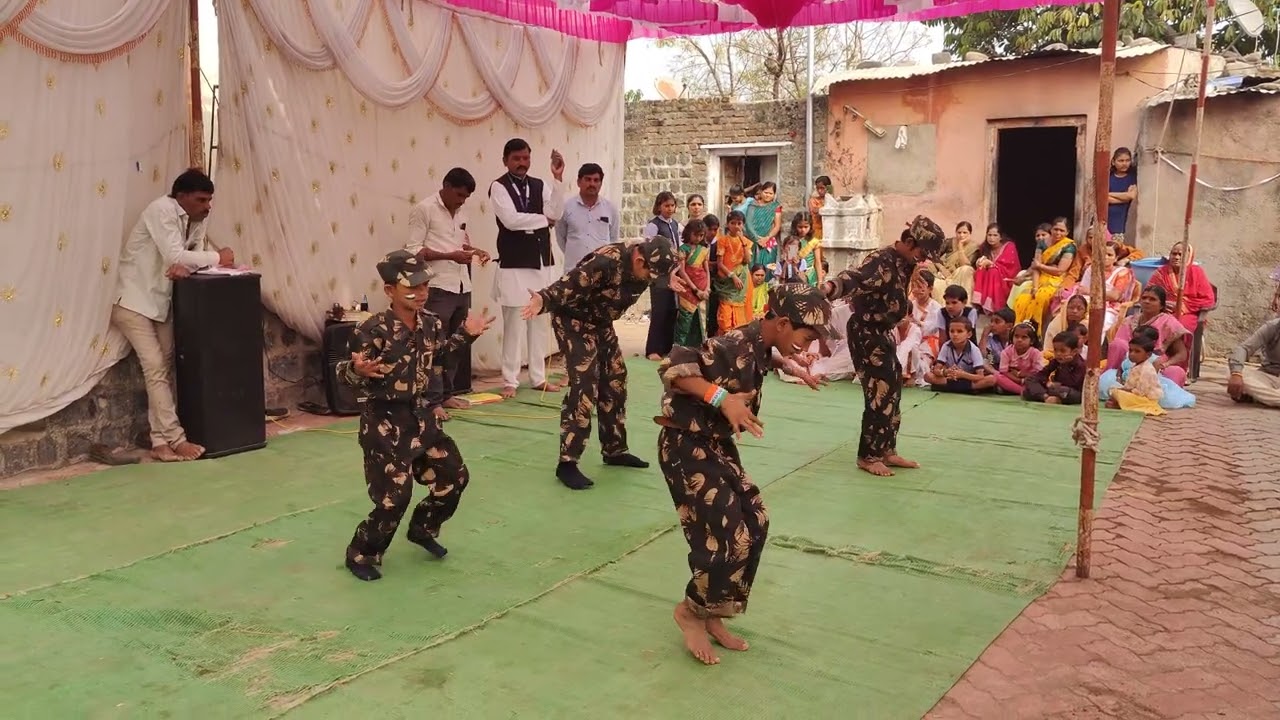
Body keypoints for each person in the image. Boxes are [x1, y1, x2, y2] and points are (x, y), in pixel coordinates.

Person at [655, 284, 831, 665]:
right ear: (783, 323)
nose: (808, 344)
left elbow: (763, 356)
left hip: (715, 444)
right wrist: (721, 398)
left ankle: (715, 611)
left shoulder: (761, 341)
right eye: (807, 336)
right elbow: (674, 367)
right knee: (726, 534)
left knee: (757, 522)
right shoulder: (733, 342)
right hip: (685, 444)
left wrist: (793, 365)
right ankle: (690, 612)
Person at [337, 251, 496, 581]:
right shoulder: (372, 329)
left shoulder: (431, 324)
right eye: (412, 287)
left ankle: (423, 528)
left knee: (454, 478)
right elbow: (345, 372)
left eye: (425, 286)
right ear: (389, 290)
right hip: (384, 421)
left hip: (422, 417)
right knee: (394, 498)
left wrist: (467, 335)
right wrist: (356, 369)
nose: (421, 293)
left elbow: (439, 357)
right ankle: (362, 553)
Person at [522, 237, 682, 490]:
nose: (650, 281)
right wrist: (542, 300)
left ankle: (614, 449)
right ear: (639, 260)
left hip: (600, 323)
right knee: (585, 386)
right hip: (573, 321)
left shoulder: (648, 263)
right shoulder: (607, 261)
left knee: (616, 379)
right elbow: (568, 283)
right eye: (650, 275)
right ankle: (567, 462)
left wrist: (668, 279)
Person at [112, 168, 235, 462]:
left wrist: (189, 263)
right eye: (201, 200)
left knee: (163, 370)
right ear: (181, 197)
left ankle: (159, 441)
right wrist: (221, 258)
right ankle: (176, 439)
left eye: (209, 200)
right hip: (132, 301)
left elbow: (189, 260)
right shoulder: (162, 210)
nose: (207, 207)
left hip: (160, 303)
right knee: (155, 366)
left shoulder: (195, 219)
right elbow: (177, 257)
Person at [824, 215, 945, 477]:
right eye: (922, 253)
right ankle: (868, 456)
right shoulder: (881, 261)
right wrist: (829, 288)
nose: (923, 260)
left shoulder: (903, 263)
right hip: (866, 333)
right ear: (910, 242)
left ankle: (886, 450)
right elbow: (851, 278)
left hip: (883, 332)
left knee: (893, 388)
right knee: (878, 391)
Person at [406, 167, 490, 421]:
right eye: (459, 194)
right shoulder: (424, 209)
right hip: (437, 285)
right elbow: (414, 251)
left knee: (458, 343)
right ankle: (432, 402)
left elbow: (460, 244)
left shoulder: (463, 211)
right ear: (445, 185)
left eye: (466, 197)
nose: (461, 201)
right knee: (434, 346)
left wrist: (476, 251)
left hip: (462, 284)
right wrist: (449, 256)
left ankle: (446, 394)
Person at [490, 138, 565, 399]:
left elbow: (556, 210)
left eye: (525, 158)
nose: (522, 163)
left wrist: (557, 179)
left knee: (539, 322)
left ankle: (538, 377)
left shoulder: (540, 184)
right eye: (516, 159)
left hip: (541, 261)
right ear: (506, 160)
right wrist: (544, 220)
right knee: (514, 323)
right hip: (513, 263)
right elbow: (510, 221)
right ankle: (510, 379)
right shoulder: (498, 187)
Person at [554, 163, 619, 273]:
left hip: (601, 272)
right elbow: (561, 237)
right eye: (588, 179)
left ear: (601, 183)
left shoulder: (610, 209)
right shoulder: (566, 208)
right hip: (573, 272)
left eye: (596, 180)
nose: (592, 184)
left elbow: (613, 239)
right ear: (579, 182)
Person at [643, 191, 682, 360]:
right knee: (659, 310)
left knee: (672, 310)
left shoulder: (676, 225)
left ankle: (666, 347)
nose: (670, 209)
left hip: (674, 270)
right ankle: (653, 349)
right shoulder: (654, 225)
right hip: (659, 273)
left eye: (672, 205)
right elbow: (648, 247)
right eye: (666, 205)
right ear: (659, 206)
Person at [1148, 242, 1215, 333]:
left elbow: (1208, 299)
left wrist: (1182, 306)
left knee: (1177, 326)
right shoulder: (1161, 272)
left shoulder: (1196, 272)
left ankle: (1176, 347)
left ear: (1189, 257)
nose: (1176, 257)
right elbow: (1149, 293)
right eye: (1173, 254)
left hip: (1188, 314)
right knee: (1150, 326)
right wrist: (1162, 304)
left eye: (1181, 254)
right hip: (1163, 312)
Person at [924, 317, 996, 393]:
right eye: (952, 331)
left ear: (969, 334)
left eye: (959, 331)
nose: (955, 334)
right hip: (951, 378)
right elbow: (936, 369)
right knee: (928, 376)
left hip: (968, 379)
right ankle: (967, 389)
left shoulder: (974, 349)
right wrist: (945, 372)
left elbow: (980, 376)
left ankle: (947, 388)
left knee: (991, 379)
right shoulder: (946, 346)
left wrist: (962, 374)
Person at [1106, 330, 1165, 415]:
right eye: (1130, 350)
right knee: (1112, 389)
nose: (1132, 354)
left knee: (1117, 393)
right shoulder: (1137, 366)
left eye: (1137, 351)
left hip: (1145, 399)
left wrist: (1123, 391)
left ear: (1148, 355)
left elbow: (1141, 392)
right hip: (1134, 395)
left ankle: (1120, 404)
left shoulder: (1147, 369)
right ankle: (1119, 403)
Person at [1227, 317, 1280, 407]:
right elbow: (1244, 348)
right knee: (1231, 373)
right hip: (1270, 376)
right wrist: (1236, 374)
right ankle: (1269, 398)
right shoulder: (1272, 327)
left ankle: (1259, 397)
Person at [1023, 330, 1086, 405]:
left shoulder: (1080, 365)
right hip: (1053, 388)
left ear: (1074, 352)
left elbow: (1072, 383)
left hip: (1070, 392)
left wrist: (1065, 366)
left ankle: (1045, 397)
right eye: (1056, 350)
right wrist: (1046, 383)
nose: (1058, 354)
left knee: (1063, 391)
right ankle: (1045, 397)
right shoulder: (1056, 361)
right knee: (1029, 382)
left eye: (1063, 351)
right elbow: (1041, 375)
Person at [971, 222, 1022, 314]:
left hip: (1006, 278)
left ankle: (991, 306)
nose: (991, 238)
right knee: (981, 269)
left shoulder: (1009, 246)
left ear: (1001, 237)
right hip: (989, 276)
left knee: (993, 271)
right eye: (989, 235)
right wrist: (980, 262)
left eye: (995, 235)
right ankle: (979, 303)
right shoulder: (984, 248)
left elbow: (1010, 267)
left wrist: (991, 264)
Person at [996, 322, 1044, 396]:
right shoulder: (1006, 352)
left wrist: (1021, 374)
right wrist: (1019, 380)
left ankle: (1014, 389)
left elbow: (1039, 372)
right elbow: (1004, 372)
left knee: (1039, 382)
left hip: (1030, 380)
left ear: (1032, 341)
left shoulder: (1035, 353)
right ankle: (1022, 391)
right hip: (1013, 380)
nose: (1019, 340)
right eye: (1016, 336)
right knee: (997, 376)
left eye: (1024, 337)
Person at [1107, 147, 1137, 242]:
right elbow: (1104, 199)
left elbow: (1131, 196)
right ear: (1113, 162)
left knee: (1115, 252)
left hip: (1120, 223)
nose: (1124, 163)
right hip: (1106, 220)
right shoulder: (1108, 178)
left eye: (1127, 160)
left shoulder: (1132, 178)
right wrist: (1124, 197)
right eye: (1121, 160)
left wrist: (1109, 194)